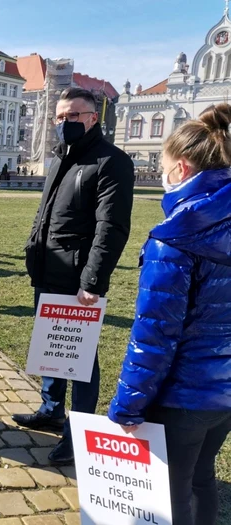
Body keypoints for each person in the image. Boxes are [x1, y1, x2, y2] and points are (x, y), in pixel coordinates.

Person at [109, 105, 231, 525]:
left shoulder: (173, 239)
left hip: (182, 396)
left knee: (170, 490)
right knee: (202, 481)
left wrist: (127, 407)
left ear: (180, 169)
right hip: (224, 391)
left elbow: (155, 337)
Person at [14, 87, 135, 465]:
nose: (64, 123)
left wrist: (92, 282)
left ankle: (78, 432)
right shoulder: (60, 159)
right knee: (53, 349)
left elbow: (111, 228)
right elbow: (46, 214)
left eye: (73, 116)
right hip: (47, 271)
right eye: (60, 117)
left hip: (78, 278)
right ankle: (51, 409)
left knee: (79, 359)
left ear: (92, 118)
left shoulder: (111, 161)